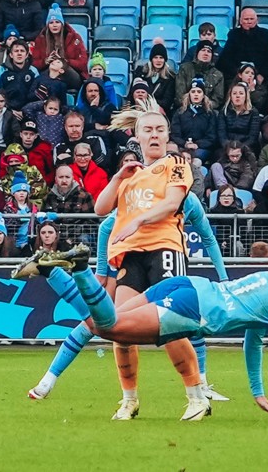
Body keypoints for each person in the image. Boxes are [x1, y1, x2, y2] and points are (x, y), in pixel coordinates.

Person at [20, 188, 234, 406]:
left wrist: (224, 278)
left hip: (160, 258)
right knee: (128, 325)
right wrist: (103, 271)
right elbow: (105, 227)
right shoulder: (149, 193)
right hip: (136, 260)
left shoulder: (186, 200)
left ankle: (52, 380)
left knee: (175, 323)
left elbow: (208, 238)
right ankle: (195, 390)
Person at [86, 104, 210, 421]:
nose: (154, 135)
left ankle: (197, 396)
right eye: (148, 130)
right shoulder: (130, 176)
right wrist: (116, 178)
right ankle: (129, 400)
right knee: (118, 328)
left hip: (165, 249)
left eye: (159, 130)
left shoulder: (177, 165)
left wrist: (137, 221)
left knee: (171, 325)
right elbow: (101, 208)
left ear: (167, 135)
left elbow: (171, 204)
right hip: (131, 257)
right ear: (136, 137)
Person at [216, 9, 268, 83]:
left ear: (257, 20)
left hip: (261, 76)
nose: (249, 21)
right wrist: (239, 74)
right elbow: (225, 58)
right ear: (240, 21)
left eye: (251, 19)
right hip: (236, 74)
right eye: (246, 19)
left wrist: (262, 74)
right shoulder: (234, 35)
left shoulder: (266, 35)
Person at [177, 40, 226, 108]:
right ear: (197, 53)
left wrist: (202, 107)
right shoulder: (184, 69)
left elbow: (217, 100)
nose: (206, 53)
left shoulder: (218, 75)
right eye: (203, 50)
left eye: (209, 51)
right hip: (186, 109)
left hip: (208, 111)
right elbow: (180, 95)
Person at [133, 43, 177, 113]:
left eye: (161, 58)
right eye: (155, 57)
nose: (158, 60)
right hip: (140, 109)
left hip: (159, 111)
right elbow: (133, 94)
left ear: (165, 60)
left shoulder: (170, 77)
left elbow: (167, 102)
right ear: (151, 59)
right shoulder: (140, 72)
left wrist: (149, 103)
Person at [220, 83, 262, 152]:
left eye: (241, 93)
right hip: (227, 147)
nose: (237, 96)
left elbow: (253, 137)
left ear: (246, 96)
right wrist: (228, 148)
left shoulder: (253, 112)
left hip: (247, 147)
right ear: (230, 96)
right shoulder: (224, 111)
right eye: (234, 93)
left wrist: (241, 149)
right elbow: (221, 134)